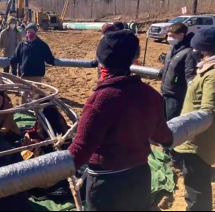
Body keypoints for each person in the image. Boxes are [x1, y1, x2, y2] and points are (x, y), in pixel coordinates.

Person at [68, 30, 173, 211]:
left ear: (101, 63)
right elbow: (162, 135)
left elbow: (80, 150)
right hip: (139, 177)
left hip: (107, 185)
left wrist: (51, 173)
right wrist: (171, 139)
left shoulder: (101, 100)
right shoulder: (150, 94)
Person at [173, 28, 215, 211]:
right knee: (195, 185)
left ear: (205, 50)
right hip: (194, 139)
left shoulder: (212, 75)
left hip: (198, 142)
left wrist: (179, 129)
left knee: (197, 190)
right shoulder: (206, 68)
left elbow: (208, 110)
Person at [160, 23, 197, 122]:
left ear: (181, 35)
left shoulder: (189, 52)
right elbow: (168, 66)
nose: (169, 38)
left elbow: (190, 74)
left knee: (172, 122)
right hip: (165, 91)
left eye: (172, 36)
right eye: (168, 35)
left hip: (176, 96)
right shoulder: (173, 47)